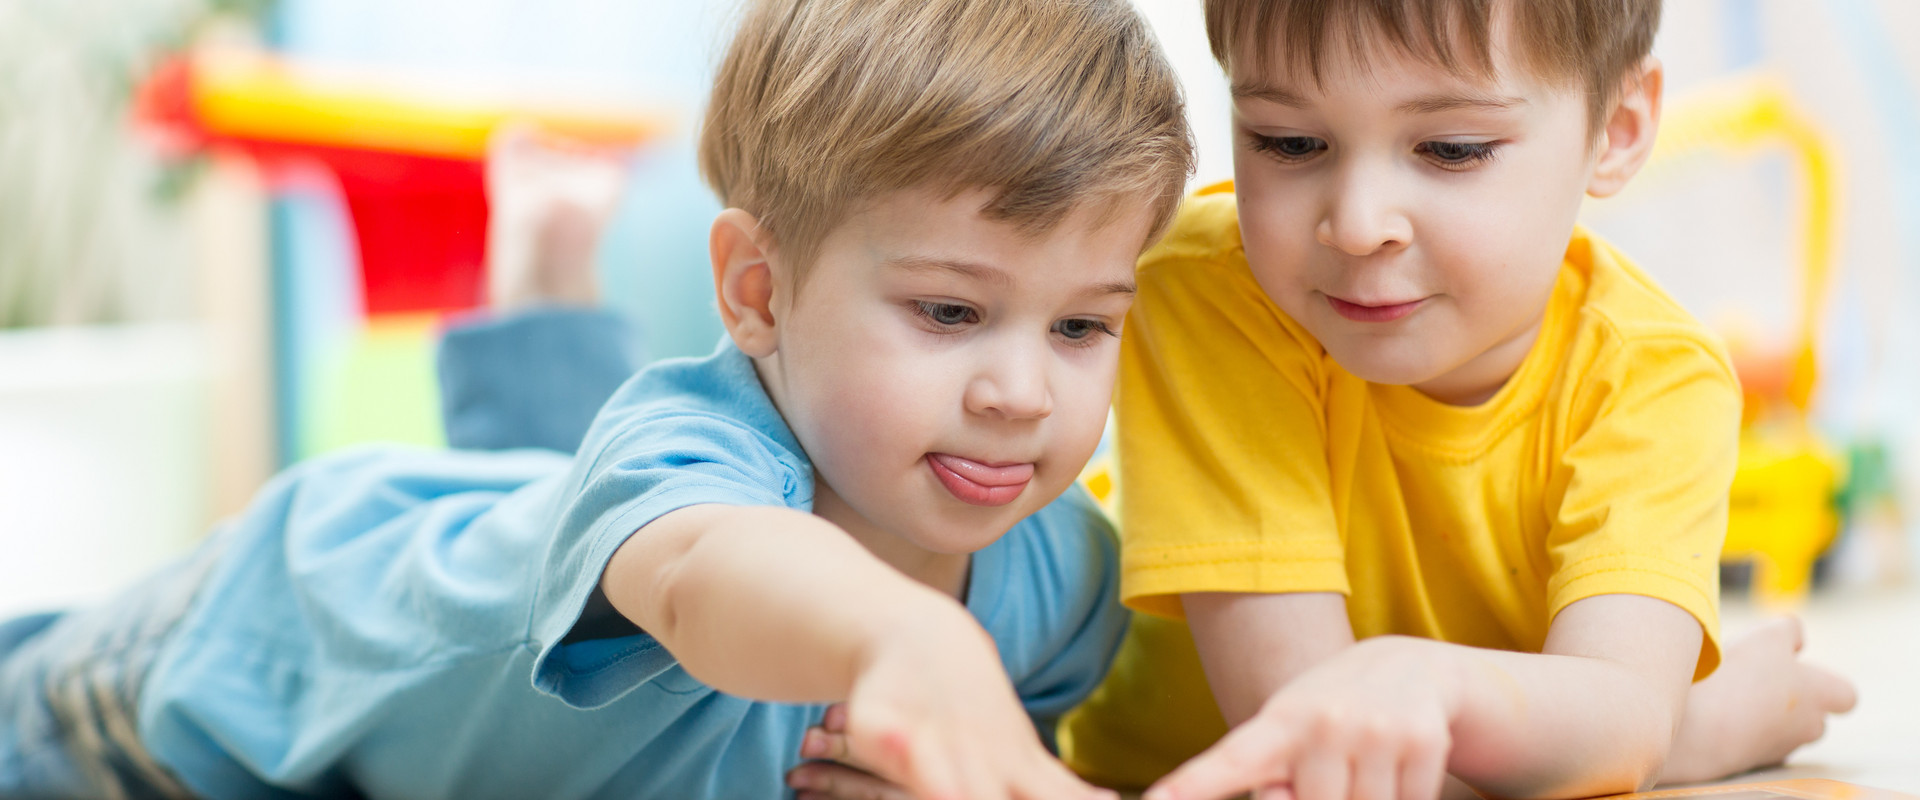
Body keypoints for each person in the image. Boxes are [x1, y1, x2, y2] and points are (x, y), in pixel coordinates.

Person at [0, 0, 1194, 797]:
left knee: (559, 496)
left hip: (557, 637)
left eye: (1082, 324)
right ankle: (544, 302)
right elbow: (692, 572)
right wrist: (908, 633)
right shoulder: (697, 472)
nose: (1021, 393)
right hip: (265, 647)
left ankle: (544, 288)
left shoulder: (1059, 579)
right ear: (757, 288)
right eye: (949, 312)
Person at [1050, 2, 1859, 799]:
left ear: (1615, 130)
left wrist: (1468, 691)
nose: (1360, 225)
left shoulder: (1656, 379)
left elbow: (1621, 716)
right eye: (1288, 142)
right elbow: (1312, 742)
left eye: (1451, 149)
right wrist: (1688, 734)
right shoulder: (1206, 292)